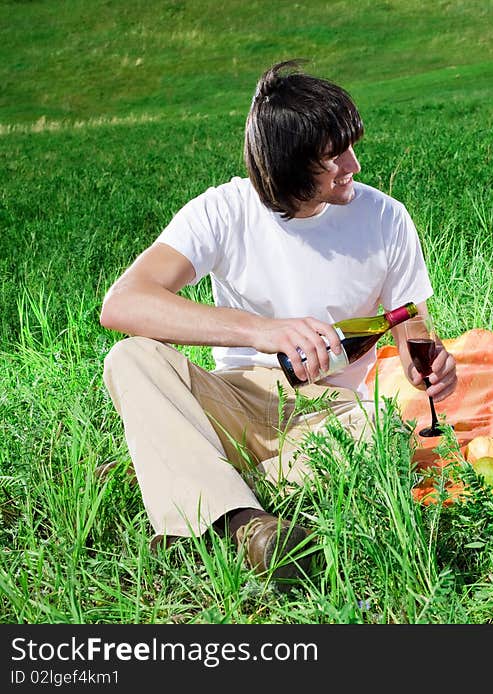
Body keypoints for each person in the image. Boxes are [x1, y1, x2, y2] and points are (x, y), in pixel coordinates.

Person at [99, 59, 457, 584]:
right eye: (333, 158)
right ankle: (245, 524)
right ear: (287, 167)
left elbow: (409, 323)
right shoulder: (222, 211)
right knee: (131, 357)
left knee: (385, 437)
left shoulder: (385, 218)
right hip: (239, 396)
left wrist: (429, 359)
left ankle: (193, 481)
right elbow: (123, 304)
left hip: (332, 410)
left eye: (350, 147)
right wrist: (258, 330)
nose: (354, 165)